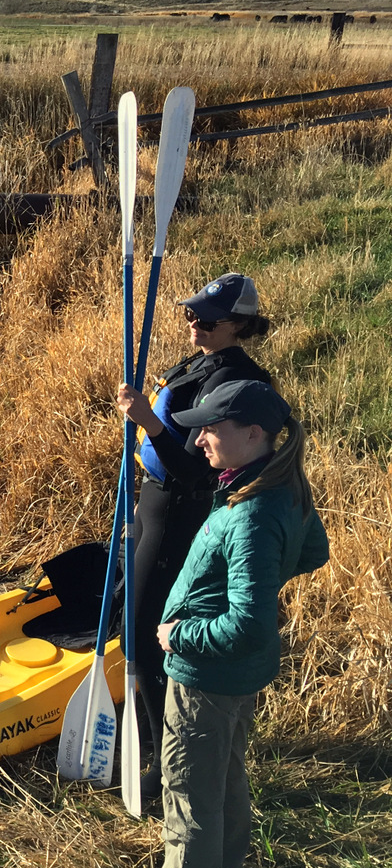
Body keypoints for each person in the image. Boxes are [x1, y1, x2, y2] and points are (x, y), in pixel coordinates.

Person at [140, 380, 329, 868]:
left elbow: (247, 624)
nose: (198, 439)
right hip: (235, 675)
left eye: (212, 429)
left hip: (206, 673)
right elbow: (313, 550)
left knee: (188, 789)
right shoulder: (271, 484)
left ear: (253, 433)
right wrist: (254, 577)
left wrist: (182, 636)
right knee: (222, 776)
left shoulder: (250, 511)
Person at [115, 272, 274, 793]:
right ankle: (150, 737)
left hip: (179, 514)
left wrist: (150, 423)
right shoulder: (198, 362)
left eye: (206, 319)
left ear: (238, 325)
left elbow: (198, 473)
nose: (193, 325)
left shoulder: (237, 382)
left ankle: (166, 760)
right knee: (132, 626)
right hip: (151, 504)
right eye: (190, 314)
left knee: (143, 633)